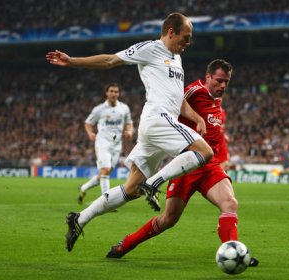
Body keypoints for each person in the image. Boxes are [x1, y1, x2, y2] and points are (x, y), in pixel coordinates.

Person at [46, 12, 214, 253]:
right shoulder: (150, 49)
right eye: (186, 37)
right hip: (157, 119)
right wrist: (72, 61)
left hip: (158, 125)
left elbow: (177, 99)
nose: (188, 43)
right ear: (170, 32)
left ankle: (79, 219)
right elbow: (110, 61)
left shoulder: (176, 59)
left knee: (132, 189)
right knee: (204, 152)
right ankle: (155, 183)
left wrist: (196, 117)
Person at [105, 59, 258, 266]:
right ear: (208, 77)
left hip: (209, 166)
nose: (222, 86)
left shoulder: (218, 104)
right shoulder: (193, 92)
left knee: (230, 203)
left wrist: (223, 156)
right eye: (219, 81)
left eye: (226, 82)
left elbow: (216, 135)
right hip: (187, 165)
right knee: (168, 219)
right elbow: (169, 106)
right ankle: (127, 243)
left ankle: (234, 251)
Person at [77, 83, 133, 204]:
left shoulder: (124, 108)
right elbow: (88, 123)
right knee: (106, 170)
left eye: (116, 92)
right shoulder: (99, 109)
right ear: (106, 93)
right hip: (103, 143)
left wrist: (129, 130)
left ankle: (83, 188)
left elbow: (129, 122)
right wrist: (90, 133)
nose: (114, 94)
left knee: (104, 173)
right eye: (111, 91)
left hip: (117, 144)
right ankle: (106, 201)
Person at [218, 105, 231, 171]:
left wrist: (225, 135)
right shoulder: (209, 109)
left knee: (226, 165)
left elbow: (222, 126)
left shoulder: (222, 111)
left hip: (221, 140)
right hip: (213, 140)